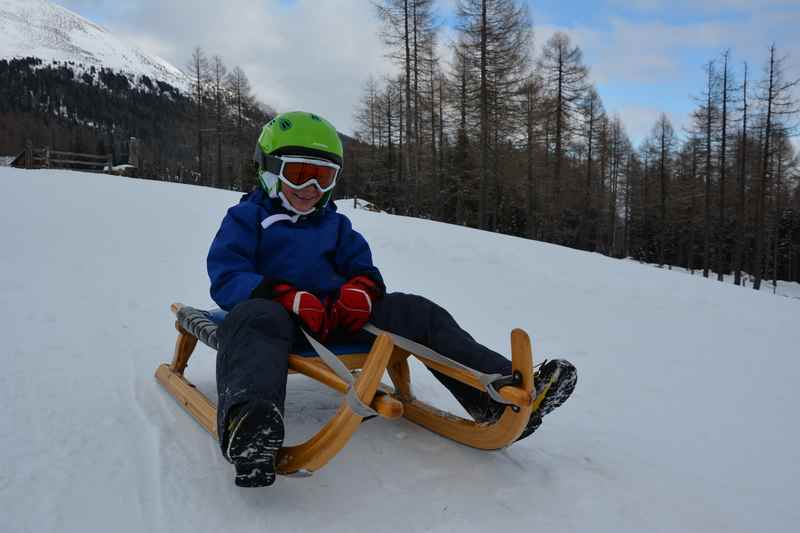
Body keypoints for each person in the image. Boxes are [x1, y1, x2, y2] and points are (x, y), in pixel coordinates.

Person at [207, 111, 577, 487]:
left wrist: (360, 291)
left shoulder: (336, 225)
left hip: (337, 318)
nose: (312, 188)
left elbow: (364, 269)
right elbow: (226, 275)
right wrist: (283, 296)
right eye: (299, 174)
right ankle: (251, 425)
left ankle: (498, 394)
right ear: (269, 170)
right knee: (252, 318)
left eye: (324, 177)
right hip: (278, 322)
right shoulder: (246, 218)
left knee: (414, 310)